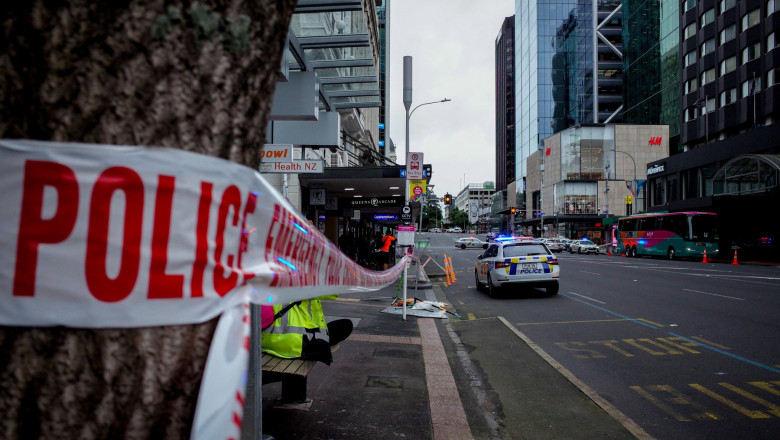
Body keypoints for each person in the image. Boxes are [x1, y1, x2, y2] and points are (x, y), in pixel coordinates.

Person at [262, 296, 353, 365]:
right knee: (346, 325)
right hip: (295, 345)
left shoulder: (266, 287)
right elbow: (332, 292)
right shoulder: (305, 285)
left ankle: (323, 346)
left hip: (265, 342)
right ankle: (323, 347)